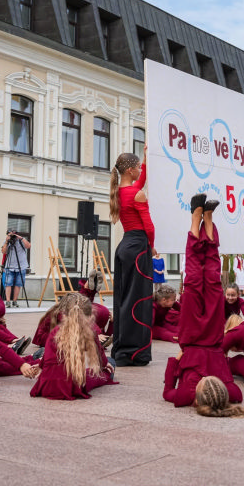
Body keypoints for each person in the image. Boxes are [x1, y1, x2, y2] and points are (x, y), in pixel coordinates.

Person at [163, 193, 244, 413]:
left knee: (195, 276)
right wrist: (221, 392)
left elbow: (168, 393)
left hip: (191, 338)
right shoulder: (217, 390)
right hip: (212, 337)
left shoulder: (189, 394)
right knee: (211, 275)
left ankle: (195, 218)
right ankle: (208, 220)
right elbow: (236, 395)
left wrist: (175, 362)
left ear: (198, 400)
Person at [109, 148, 155, 366]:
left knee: (122, 299)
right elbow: (149, 227)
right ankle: (134, 353)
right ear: (129, 170)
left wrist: (145, 157)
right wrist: (153, 247)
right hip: (138, 247)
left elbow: (141, 179)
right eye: (137, 167)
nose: (140, 170)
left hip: (124, 246)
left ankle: (121, 348)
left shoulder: (119, 190)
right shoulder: (138, 194)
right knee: (138, 300)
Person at [30, 293, 115, 399]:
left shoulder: (56, 331)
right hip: (70, 387)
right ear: (89, 316)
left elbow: (47, 354)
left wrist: (40, 366)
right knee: (109, 366)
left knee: (77, 371)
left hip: (45, 386)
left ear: (64, 314)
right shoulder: (90, 331)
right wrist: (106, 364)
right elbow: (101, 358)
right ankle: (109, 371)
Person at [1, 229, 30, 308]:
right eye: (10, 235)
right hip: (9, 266)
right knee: (8, 284)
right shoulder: (7, 241)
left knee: (18, 284)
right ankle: (7, 301)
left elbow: (28, 246)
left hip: (21, 266)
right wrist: (7, 241)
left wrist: (21, 238)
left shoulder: (21, 241)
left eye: (13, 235)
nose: (12, 236)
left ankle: (14, 301)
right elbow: (3, 251)